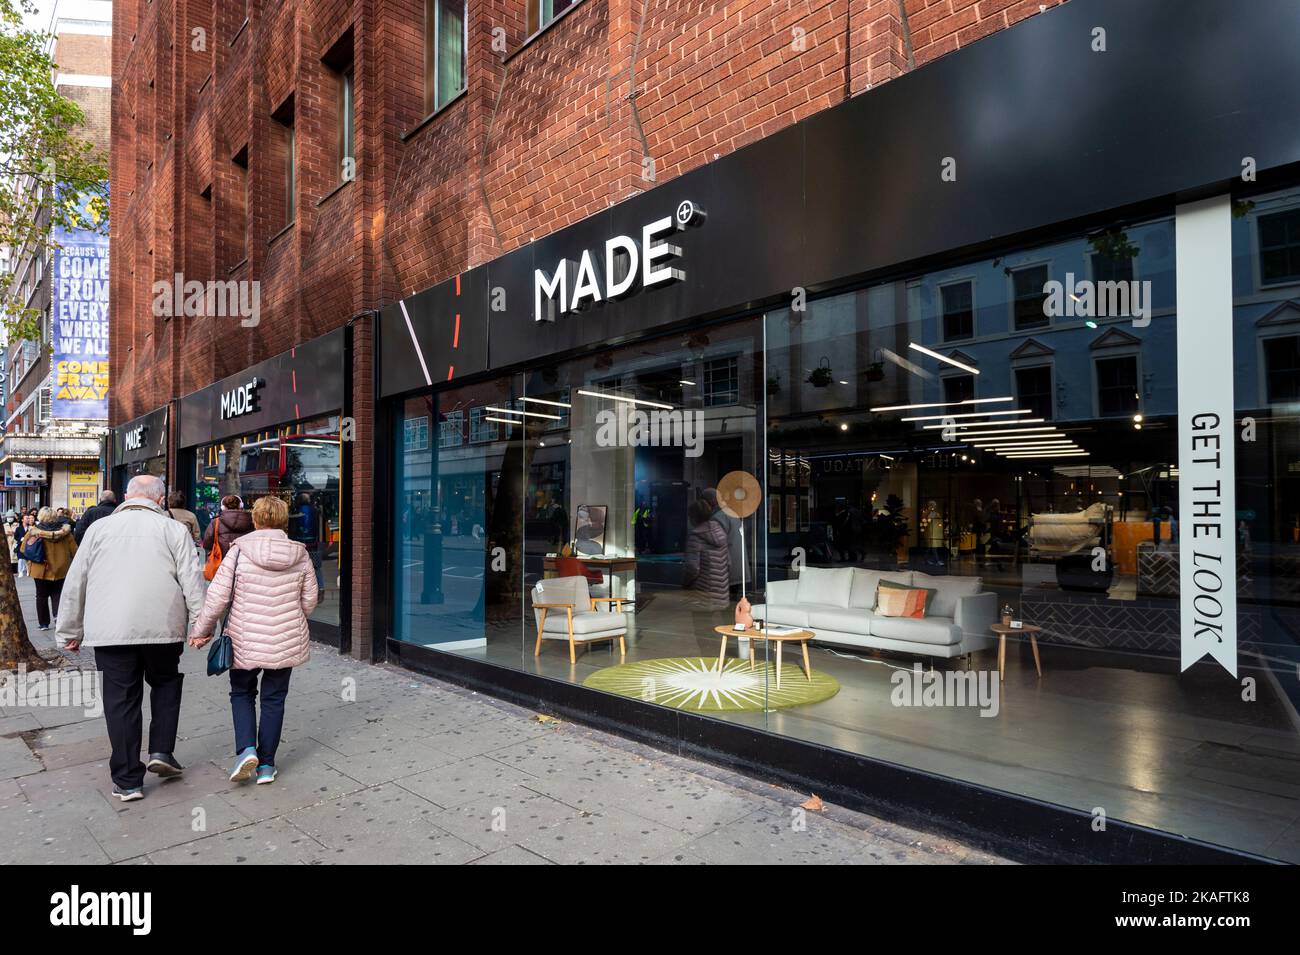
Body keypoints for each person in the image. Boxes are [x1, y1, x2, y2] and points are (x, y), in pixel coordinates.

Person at [57, 475, 205, 802]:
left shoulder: (98, 530)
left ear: (127, 496)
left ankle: (127, 781)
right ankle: (162, 751)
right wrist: (201, 624)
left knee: (121, 700)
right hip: (163, 628)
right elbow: (191, 579)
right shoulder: (173, 530)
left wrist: (70, 630)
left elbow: (76, 581)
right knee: (166, 683)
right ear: (160, 499)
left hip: (110, 631)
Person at [189, 495, 319, 786]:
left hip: (244, 638)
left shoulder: (239, 551)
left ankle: (247, 749)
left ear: (256, 520)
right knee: (274, 699)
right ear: (284, 521)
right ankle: (267, 766)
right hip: (285, 639)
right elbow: (310, 602)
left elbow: (218, 597)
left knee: (242, 693)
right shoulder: (300, 553)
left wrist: (201, 630)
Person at [24, 506, 77, 631]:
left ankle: (43, 623)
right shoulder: (65, 533)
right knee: (57, 593)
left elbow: (23, 549)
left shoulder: (33, 531)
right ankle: (58, 616)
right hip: (61, 568)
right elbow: (75, 550)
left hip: (40, 568)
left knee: (41, 596)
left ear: (40, 517)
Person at [683, 499, 730, 610]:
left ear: (693, 517)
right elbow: (728, 561)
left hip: (702, 594)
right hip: (720, 592)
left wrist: (685, 584)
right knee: (718, 626)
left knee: (699, 625)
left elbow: (692, 568)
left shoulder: (696, 537)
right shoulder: (720, 531)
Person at [702, 487, 744, 601]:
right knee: (731, 603)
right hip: (736, 567)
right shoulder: (731, 513)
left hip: (725, 570)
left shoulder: (719, 517)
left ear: (710, 501)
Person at [202, 494, 254, 558]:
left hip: (222, 560)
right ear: (241, 505)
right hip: (245, 560)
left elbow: (207, 544)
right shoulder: (251, 521)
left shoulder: (216, 522)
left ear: (223, 507)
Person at [166, 491, 202, 555]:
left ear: (169, 502)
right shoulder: (191, 515)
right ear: (184, 503)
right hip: (186, 547)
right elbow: (196, 535)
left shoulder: (164, 514)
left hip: (168, 546)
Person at [14, 512, 33, 577]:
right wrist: (20, 539)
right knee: (20, 558)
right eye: (26, 518)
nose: (28, 519)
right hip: (20, 545)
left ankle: (28, 571)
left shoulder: (30, 528)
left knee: (28, 558)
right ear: (22, 520)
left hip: (29, 545)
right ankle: (20, 571)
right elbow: (15, 536)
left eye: (28, 518)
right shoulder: (18, 528)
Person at [3, 510, 19, 578]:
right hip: (7, 542)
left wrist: (13, 533)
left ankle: (14, 571)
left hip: (14, 542)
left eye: (11, 517)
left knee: (14, 556)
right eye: (8, 517)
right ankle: (8, 570)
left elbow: (18, 532)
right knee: (7, 556)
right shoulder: (4, 525)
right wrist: (6, 534)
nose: (10, 518)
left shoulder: (17, 524)